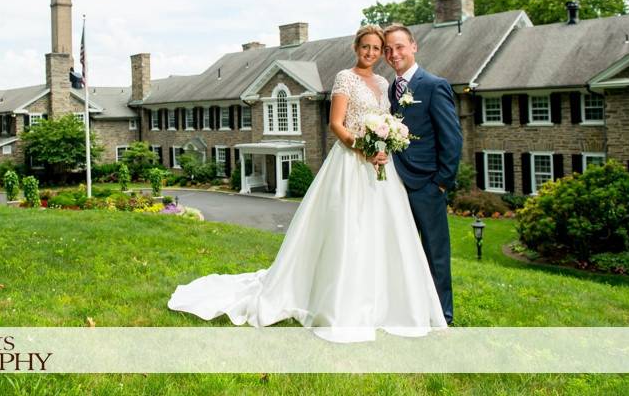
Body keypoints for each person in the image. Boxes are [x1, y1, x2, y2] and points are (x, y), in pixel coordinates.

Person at [167, 25, 447, 342]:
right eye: (366, 46)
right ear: (356, 48)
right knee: (348, 232)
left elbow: (387, 123)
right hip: (350, 165)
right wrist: (364, 149)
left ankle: (384, 302)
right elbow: (335, 124)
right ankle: (341, 302)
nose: (371, 53)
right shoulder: (345, 78)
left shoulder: (383, 83)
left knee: (383, 232)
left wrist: (383, 148)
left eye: (376, 48)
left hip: (380, 168)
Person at [384, 24, 462, 326]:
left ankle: (443, 314)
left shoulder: (433, 85)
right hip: (395, 183)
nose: (394, 54)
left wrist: (442, 182)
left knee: (435, 253)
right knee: (402, 251)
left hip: (428, 184)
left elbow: (452, 138)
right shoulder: (390, 90)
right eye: (388, 49)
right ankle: (410, 307)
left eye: (399, 46)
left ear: (413, 46)